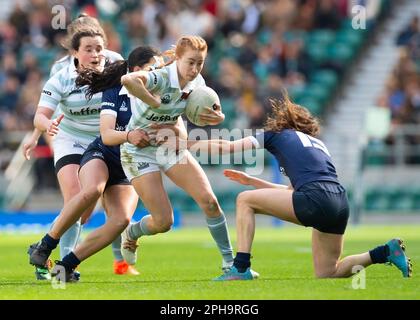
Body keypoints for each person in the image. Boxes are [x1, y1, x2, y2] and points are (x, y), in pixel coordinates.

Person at [169, 96, 413, 280]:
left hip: (315, 197)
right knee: (328, 272)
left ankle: (240, 267)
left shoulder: (276, 134)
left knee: (244, 200)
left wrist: (187, 143)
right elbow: (293, 192)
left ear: (283, 121)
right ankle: (384, 252)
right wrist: (254, 181)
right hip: (339, 202)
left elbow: (227, 146)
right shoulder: (317, 144)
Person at [28, 46, 186, 281]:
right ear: (135, 71)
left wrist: (169, 129)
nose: (155, 73)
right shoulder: (115, 90)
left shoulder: (164, 96)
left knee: (120, 220)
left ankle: (65, 267)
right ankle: (45, 245)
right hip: (103, 154)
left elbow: (181, 138)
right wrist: (130, 135)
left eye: (158, 69)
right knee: (92, 190)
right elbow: (107, 135)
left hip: (129, 166)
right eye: (150, 68)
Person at [118, 35, 239, 276]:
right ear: (177, 59)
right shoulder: (160, 77)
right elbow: (128, 79)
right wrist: (151, 100)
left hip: (169, 146)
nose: (195, 69)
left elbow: (211, 111)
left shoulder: (198, 83)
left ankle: (231, 264)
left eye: (200, 63)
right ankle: (131, 232)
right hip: (138, 150)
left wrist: (219, 117)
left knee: (210, 202)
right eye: (191, 62)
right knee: (164, 222)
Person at [23, 14, 133, 279]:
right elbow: (43, 112)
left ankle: (47, 249)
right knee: (76, 197)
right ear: (74, 51)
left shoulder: (116, 63)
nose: (96, 54)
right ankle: (58, 266)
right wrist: (40, 130)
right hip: (69, 137)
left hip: (106, 139)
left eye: (99, 47)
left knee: (85, 214)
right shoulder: (60, 74)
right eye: (89, 49)